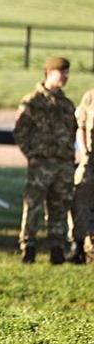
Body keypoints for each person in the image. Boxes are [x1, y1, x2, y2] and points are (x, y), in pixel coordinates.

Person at [13, 56, 76, 264]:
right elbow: (20, 131)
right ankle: (28, 247)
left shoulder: (67, 105)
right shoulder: (32, 101)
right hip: (41, 163)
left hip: (63, 164)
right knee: (33, 205)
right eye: (61, 72)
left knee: (59, 207)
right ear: (48, 73)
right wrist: (31, 154)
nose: (65, 76)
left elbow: (72, 132)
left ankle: (56, 249)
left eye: (67, 72)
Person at [69, 86, 94, 264]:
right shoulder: (90, 97)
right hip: (90, 160)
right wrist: (85, 152)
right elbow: (81, 127)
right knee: (79, 199)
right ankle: (77, 245)